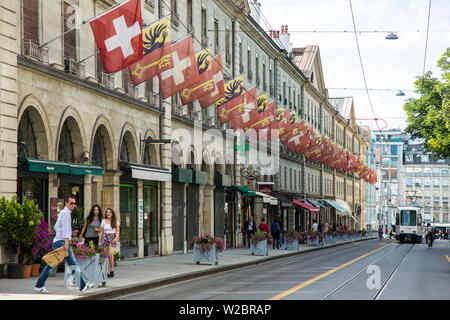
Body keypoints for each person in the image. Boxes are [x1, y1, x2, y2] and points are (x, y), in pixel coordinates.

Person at [35, 195, 91, 293]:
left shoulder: (63, 212)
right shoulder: (66, 214)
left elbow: (57, 227)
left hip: (59, 241)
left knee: (51, 264)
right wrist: (66, 242)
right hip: (62, 242)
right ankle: (82, 285)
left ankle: (39, 285)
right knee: (72, 264)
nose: (73, 205)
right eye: (71, 203)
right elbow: (65, 229)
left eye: (74, 203)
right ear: (66, 203)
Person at [99, 208, 120, 278]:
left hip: (112, 238)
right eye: (107, 212)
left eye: (110, 212)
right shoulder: (103, 221)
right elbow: (101, 232)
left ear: (112, 213)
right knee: (106, 256)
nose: (108, 213)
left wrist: (116, 238)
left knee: (110, 254)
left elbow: (117, 231)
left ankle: (112, 269)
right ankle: (107, 271)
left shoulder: (116, 221)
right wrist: (99, 241)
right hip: (105, 238)